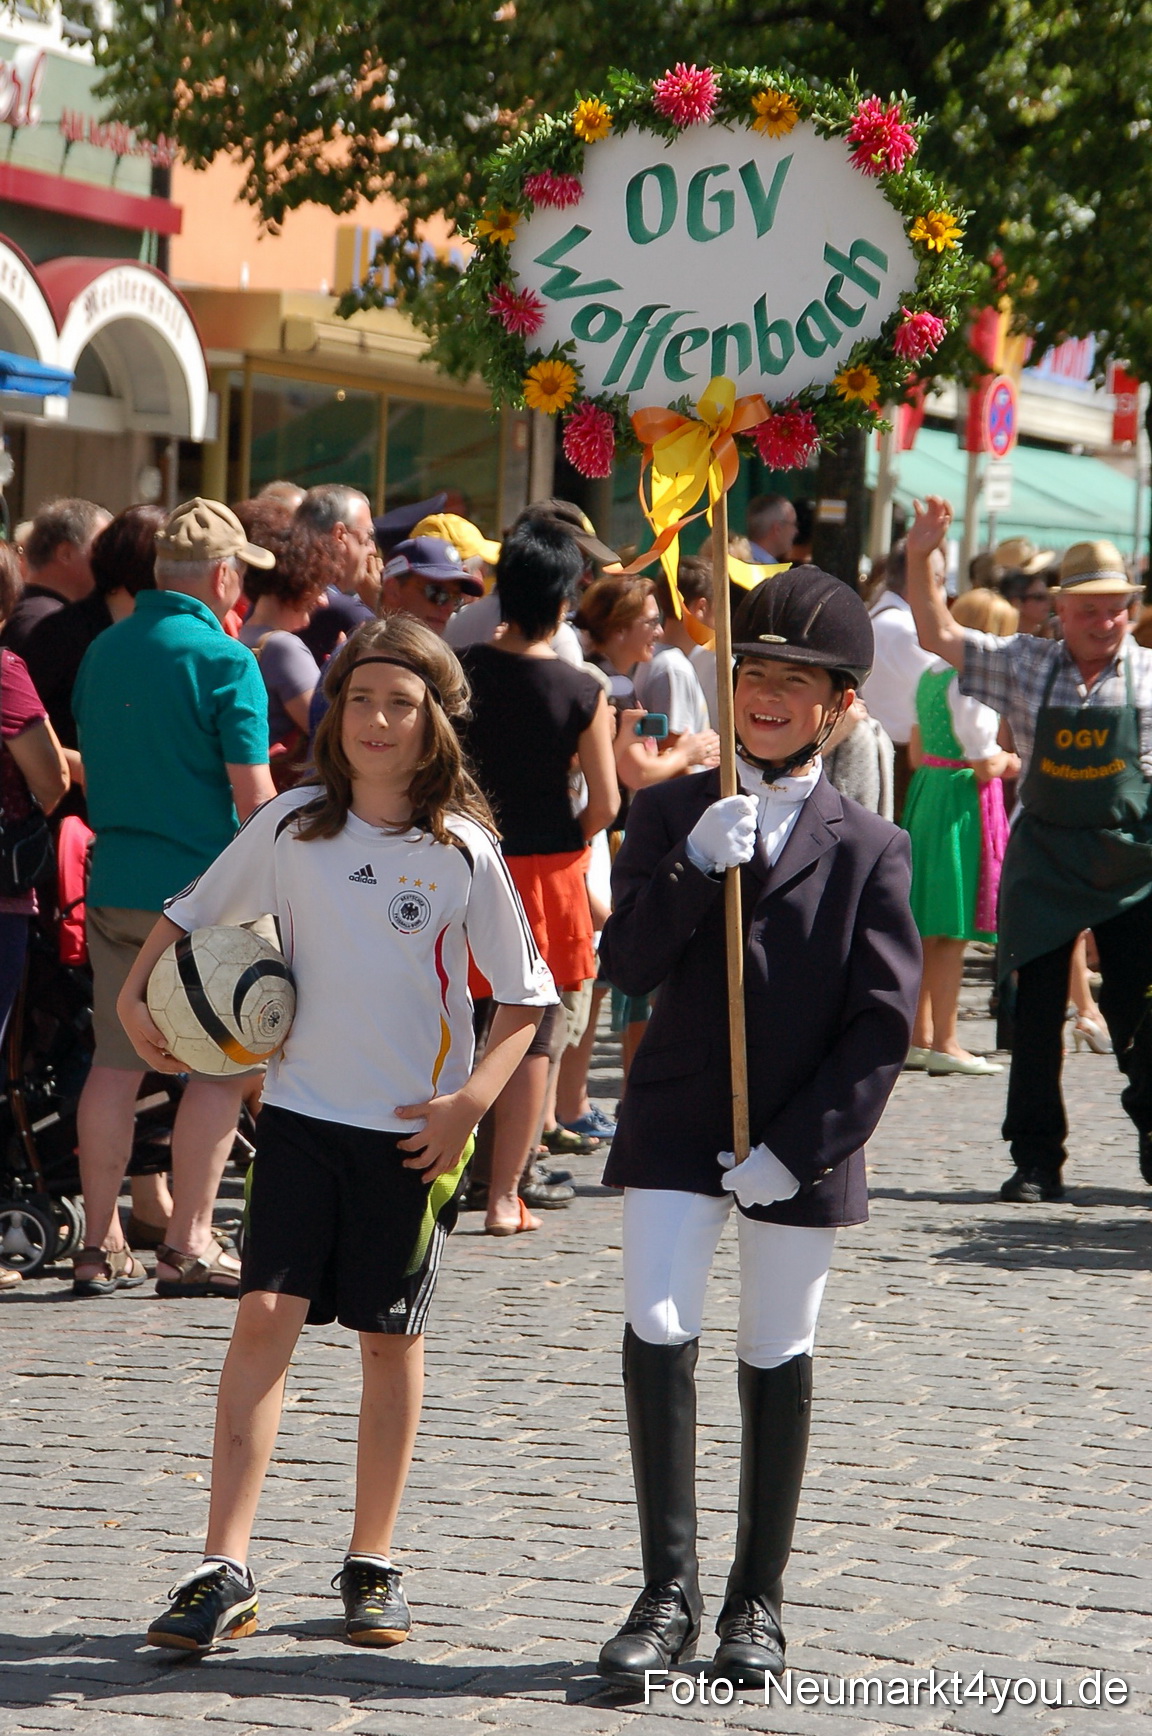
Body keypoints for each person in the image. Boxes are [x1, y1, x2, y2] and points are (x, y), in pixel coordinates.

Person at [127, 614, 554, 1652]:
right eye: (359, 697)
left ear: (433, 722)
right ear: (334, 710)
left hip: (411, 1134)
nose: (374, 719)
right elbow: (188, 915)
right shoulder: (294, 825)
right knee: (262, 1313)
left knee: (387, 1338)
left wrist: (467, 1107)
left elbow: (527, 998)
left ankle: (374, 1557)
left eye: (399, 703)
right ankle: (222, 1564)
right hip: (304, 1120)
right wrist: (142, 1004)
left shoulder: (463, 849)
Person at [595, 567, 920, 1690]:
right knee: (659, 1320)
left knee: (776, 1345)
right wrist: (691, 868)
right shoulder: (670, 807)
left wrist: (803, 1144)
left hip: (799, 1133)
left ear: (840, 706)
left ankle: (755, 1599)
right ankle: (666, 1589)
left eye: (797, 680)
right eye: (754, 673)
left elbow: (882, 1026)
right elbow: (624, 963)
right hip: (680, 1113)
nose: (769, 694)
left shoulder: (872, 844)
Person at [906, 499, 1152, 1203]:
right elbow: (936, 631)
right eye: (1088, 610)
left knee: (1140, 1016)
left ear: (1129, 609)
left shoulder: (1151, 676)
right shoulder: (1025, 663)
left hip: (1130, 866)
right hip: (1045, 861)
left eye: (1114, 609)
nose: (1102, 622)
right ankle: (1036, 1159)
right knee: (1036, 1018)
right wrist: (925, 554)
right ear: (1059, 612)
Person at [69, 498, 277, 1298]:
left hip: (116, 882)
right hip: (206, 894)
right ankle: (188, 1242)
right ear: (224, 576)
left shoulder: (104, 651)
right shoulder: (227, 660)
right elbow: (256, 802)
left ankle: (96, 1245)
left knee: (114, 1067)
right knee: (220, 1072)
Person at [457, 521, 618, 1232]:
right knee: (535, 1035)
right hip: (546, 872)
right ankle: (502, 1196)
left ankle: (440, 1177)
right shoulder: (582, 687)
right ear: (563, 600)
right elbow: (606, 803)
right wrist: (568, 839)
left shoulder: (456, 672)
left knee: (458, 1024)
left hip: (463, 860)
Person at [901, 587, 1020, 1075]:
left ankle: (921, 1034)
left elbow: (914, 748)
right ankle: (947, 1041)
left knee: (928, 922)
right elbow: (984, 759)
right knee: (949, 927)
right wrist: (1014, 760)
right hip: (960, 797)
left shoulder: (930, 674)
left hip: (929, 788)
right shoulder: (972, 681)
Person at [24, 505, 165, 801]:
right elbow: (17, 729)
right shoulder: (62, 631)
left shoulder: (157, 633)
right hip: (63, 817)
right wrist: (91, 770)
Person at [575, 576, 719, 789]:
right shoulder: (612, 687)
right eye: (651, 622)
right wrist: (685, 754)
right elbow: (638, 774)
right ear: (619, 629)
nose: (659, 632)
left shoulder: (607, 677)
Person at [234, 496, 328, 781]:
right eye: (317, 585)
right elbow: (330, 729)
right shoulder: (282, 647)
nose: (322, 600)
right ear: (295, 580)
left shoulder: (242, 637)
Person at [860, 538, 937, 819]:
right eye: (938, 579)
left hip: (892, 753)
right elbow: (944, 693)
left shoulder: (884, 617)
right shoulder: (904, 629)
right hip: (902, 761)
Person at [1, 498, 111, 657]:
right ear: (65, 553)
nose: (108, 558)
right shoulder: (49, 625)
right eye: (100, 547)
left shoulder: (23, 612)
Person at [294, 485, 379, 662]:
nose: (373, 549)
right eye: (368, 536)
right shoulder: (346, 613)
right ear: (340, 535)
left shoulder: (275, 596)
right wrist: (377, 605)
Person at [379, 536, 484, 634]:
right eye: (436, 593)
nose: (448, 608)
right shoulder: (369, 648)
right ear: (393, 590)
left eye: (456, 599)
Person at [745, 495, 797, 566]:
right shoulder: (764, 569)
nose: (795, 531)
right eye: (793, 524)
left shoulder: (737, 561)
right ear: (778, 529)